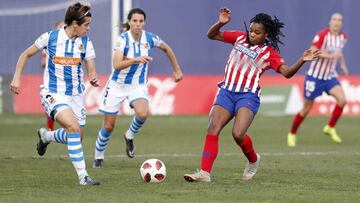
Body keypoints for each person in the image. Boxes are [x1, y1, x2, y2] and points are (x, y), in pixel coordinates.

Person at [183, 8, 320, 182]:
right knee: (212, 128)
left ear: (266, 34)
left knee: (238, 134)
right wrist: (221, 23)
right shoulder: (239, 37)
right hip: (227, 91)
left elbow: (286, 73)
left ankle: (253, 159)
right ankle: (204, 173)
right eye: (251, 30)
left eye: (257, 32)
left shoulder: (270, 54)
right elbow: (212, 35)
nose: (252, 34)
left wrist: (301, 60)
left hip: (247, 96)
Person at [10, 2, 100, 185]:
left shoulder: (86, 42)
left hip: (76, 95)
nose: (88, 28)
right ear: (75, 24)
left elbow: (91, 67)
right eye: (86, 25)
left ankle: (47, 136)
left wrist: (93, 76)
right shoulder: (50, 37)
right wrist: (17, 77)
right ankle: (83, 177)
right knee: (73, 128)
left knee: (77, 136)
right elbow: (26, 54)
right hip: (53, 93)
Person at [93, 8, 183, 168]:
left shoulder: (150, 38)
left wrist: (176, 69)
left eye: (141, 21)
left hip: (137, 85)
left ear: (144, 23)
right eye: (134, 21)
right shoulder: (122, 40)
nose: (138, 24)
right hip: (117, 85)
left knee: (143, 113)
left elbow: (166, 48)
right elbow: (117, 65)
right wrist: (135, 60)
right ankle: (98, 156)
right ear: (129, 22)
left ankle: (129, 135)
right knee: (108, 125)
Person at [287, 13, 348, 147]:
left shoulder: (343, 37)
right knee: (306, 109)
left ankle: (330, 128)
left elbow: (339, 53)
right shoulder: (323, 35)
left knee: (342, 100)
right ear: (330, 22)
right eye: (334, 20)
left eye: (339, 20)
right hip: (314, 77)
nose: (337, 22)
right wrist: (331, 56)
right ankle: (292, 133)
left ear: (341, 23)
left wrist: (343, 65)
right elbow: (314, 50)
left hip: (329, 77)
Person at [40, 21, 66, 131]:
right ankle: (50, 131)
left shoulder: (70, 45)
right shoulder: (49, 44)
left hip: (66, 84)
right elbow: (42, 63)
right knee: (51, 109)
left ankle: (55, 133)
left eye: (64, 27)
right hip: (51, 83)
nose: (63, 29)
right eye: (60, 27)